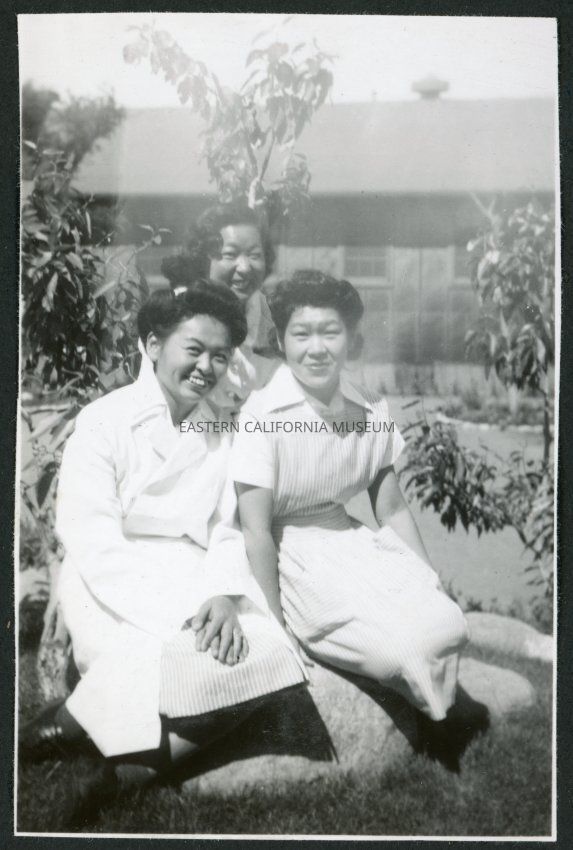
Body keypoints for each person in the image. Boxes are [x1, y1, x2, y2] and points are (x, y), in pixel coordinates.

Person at [20, 282, 306, 805]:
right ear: (153, 345)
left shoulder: (219, 431)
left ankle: (97, 749)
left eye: (220, 356)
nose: (206, 367)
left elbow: (226, 527)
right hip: (110, 580)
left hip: (193, 573)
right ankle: (95, 756)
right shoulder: (104, 421)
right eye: (193, 350)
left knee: (269, 653)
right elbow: (91, 536)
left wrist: (222, 593)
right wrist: (179, 611)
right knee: (160, 654)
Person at [231, 270, 469, 734]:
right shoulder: (262, 414)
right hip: (290, 555)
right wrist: (275, 625)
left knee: (448, 620)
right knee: (398, 651)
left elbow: (392, 509)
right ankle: (432, 713)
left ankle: (434, 707)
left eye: (330, 332)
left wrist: (428, 578)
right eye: (301, 334)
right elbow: (256, 530)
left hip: (349, 540)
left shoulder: (371, 408)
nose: (316, 348)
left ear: (351, 338)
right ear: (280, 340)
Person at [161, 202, 278, 411]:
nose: (245, 268)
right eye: (230, 254)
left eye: (255, 255)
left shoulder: (272, 315)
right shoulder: (176, 313)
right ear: (202, 259)